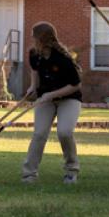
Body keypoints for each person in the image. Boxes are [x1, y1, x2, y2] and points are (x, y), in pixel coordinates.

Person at [21, 22, 82, 185]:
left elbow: (75, 84)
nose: (32, 40)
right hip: (45, 98)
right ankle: (29, 174)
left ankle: (71, 171)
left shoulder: (63, 58)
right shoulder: (34, 54)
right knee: (39, 134)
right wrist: (33, 87)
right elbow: (34, 70)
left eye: (34, 37)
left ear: (42, 39)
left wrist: (51, 95)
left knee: (64, 132)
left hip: (69, 98)